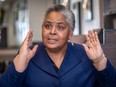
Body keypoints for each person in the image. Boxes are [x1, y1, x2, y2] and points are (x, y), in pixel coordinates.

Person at [0, 4, 116, 87]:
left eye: (60, 27)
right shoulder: (28, 54)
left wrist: (100, 61)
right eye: (48, 26)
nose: (52, 31)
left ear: (70, 32)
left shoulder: (87, 54)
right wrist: (18, 66)